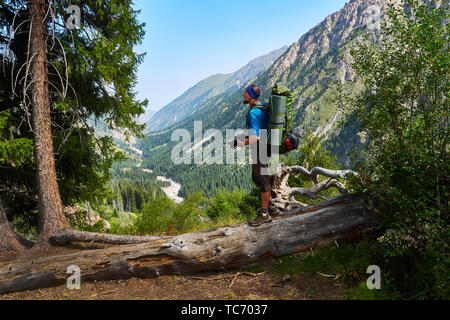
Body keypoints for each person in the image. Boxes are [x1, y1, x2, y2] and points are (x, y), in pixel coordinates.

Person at [231, 84, 280, 227]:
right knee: (259, 177)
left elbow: (256, 137)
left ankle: (264, 214)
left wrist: (240, 144)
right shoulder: (263, 106)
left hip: (260, 149)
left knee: (261, 180)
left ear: (251, 96)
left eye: (245, 93)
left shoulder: (253, 113)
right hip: (268, 147)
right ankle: (271, 206)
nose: (243, 95)